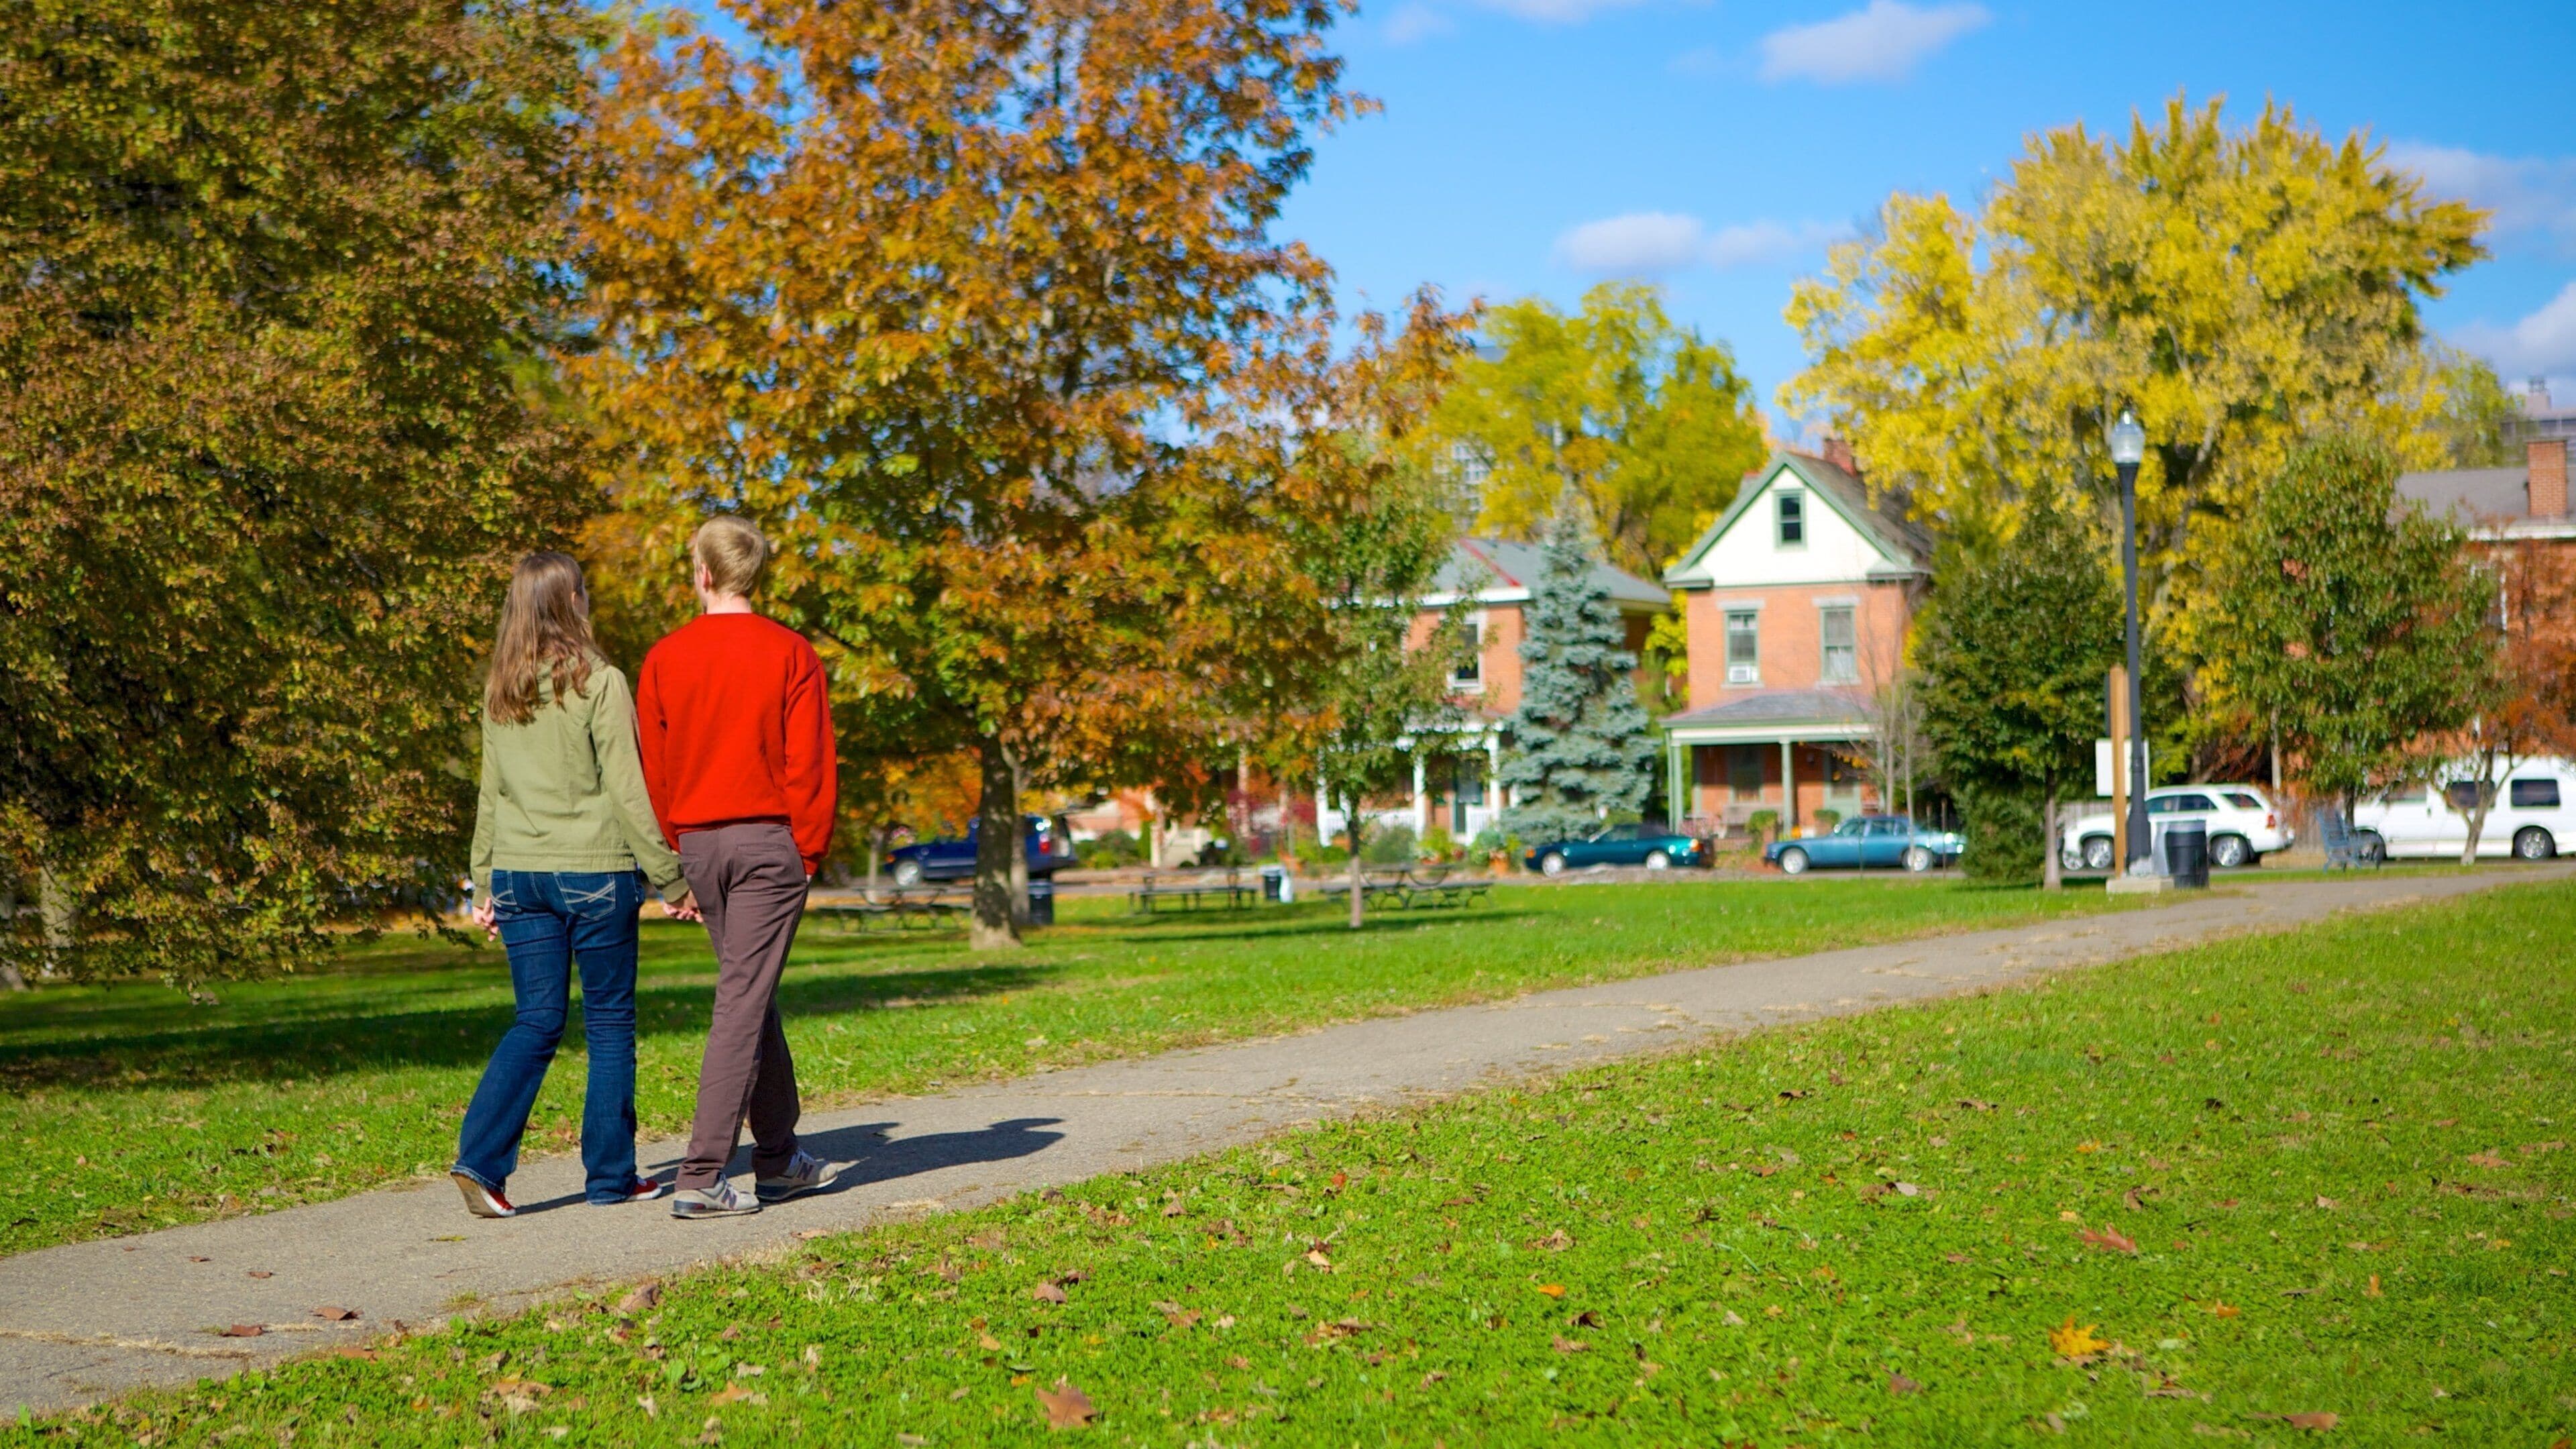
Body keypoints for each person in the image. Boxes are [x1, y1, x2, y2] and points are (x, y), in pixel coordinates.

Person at [452, 551, 692, 1218]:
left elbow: (491, 795)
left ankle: (480, 1162)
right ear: (574, 602)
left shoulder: (501, 691)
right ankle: (611, 1178)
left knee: (536, 1020)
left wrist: (483, 883)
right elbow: (628, 790)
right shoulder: (602, 682)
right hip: (594, 872)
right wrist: (672, 878)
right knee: (610, 1023)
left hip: (519, 874)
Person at [637, 517, 841, 1218]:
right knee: (743, 1001)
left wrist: (675, 852)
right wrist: (808, 851)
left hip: (700, 844)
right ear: (754, 574)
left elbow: (656, 769)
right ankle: (700, 1174)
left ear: (703, 573)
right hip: (765, 845)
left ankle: (779, 1159)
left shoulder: (665, 657)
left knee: (751, 995)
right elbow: (810, 762)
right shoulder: (790, 652)